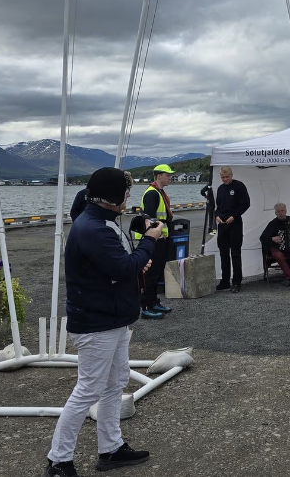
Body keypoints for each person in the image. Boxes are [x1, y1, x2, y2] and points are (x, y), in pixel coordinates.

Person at [45, 167, 162, 477]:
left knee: (115, 384)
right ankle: (58, 461)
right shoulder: (94, 229)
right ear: (112, 198)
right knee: (87, 390)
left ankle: (111, 449)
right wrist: (149, 242)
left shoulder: (98, 219)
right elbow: (123, 268)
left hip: (111, 319)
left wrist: (135, 257)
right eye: (125, 194)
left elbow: (119, 263)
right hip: (97, 324)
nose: (128, 198)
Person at [137, 164, 175, 319]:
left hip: (159, 238)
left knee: (157, 272)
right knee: (150, 274)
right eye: (167, 175)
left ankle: (153, 302)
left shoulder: (159, 192)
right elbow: (149, 217)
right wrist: (156, 235)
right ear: (159, 176)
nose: (170, 178)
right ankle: (146, 306)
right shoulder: (152, 193)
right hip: (153, 240)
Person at [214, 166, 251, 293]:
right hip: (222, 224)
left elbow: (245, 204)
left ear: (231, 175)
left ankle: (236, 282)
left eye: (227, 177)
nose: (225, 179)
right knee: (223, 253)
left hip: (234, 223)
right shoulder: (220, 189)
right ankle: (225, 281)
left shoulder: (239, 186)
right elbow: (218, 206)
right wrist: (217, 216)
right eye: (222, 177)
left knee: (235, 253)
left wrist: (234, 217)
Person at [259, 203, 290, 287]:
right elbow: (263, 237)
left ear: (286, 211)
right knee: (278, 255)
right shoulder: (273, 223)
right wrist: (272, 238)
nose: (280, 213)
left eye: (282, 211)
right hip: (277, 248)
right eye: (278, 211)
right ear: (275, 213)